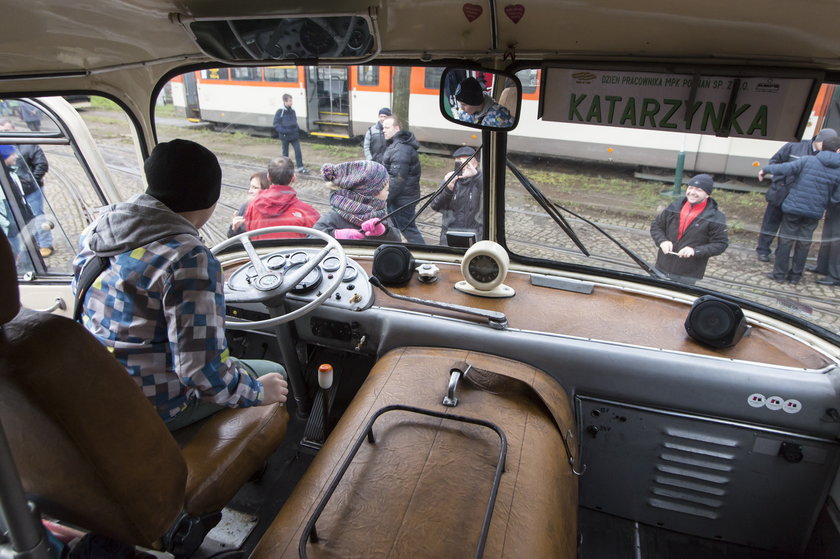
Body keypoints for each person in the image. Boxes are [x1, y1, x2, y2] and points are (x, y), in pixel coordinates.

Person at [71, 139, 289, 430]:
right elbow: (199, 373)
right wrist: (259, 391)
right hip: (152, 404)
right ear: (211, 198)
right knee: (274, 372)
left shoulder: (100, 227)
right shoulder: (188, 259)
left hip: (101, 385)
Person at [760, 136, 840, 285]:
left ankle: (779, 274)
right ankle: (795, 277)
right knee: (804, 242)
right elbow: (836, 197)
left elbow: (784, 168)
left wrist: (766, 169)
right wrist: (824, 202)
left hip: (793, 208)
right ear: (838, 150)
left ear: (823, 147)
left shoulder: (808, 160)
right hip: (814, 211)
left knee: (785, 240)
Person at [650, 173, 729, 285]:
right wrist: (662, 241)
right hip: (661, 267)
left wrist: (695, 251)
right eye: (690, 187)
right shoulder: (675, 207)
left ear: (707, 194)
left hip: (687, 275)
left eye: (698, 190)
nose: (692, 192)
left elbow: (720, 244)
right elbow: (656, 226)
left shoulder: (716, 217)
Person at [313, 160, 401, 242]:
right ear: (370, 193)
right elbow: (311, 241)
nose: (388, 192)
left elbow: (397, 244)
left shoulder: (381, 214)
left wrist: (385, 233)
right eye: (386, 189)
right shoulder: (333, 218)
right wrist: (334, 235)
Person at [1, 119, 52, 256]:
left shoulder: (27, 144)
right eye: (2, 131)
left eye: (6, 131)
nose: (4, 134)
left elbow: (42, 164)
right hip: (15, 192)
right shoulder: (3, 148)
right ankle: (31, 244)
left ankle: (46, 245)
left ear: (14, 129)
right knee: (25, 218)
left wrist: (30, 182)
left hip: (32, 190)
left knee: (38, 216)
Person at [244, 156, 320, 240]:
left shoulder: (252, 206)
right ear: (293, 178)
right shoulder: (307, 212)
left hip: (261, 253)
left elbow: (249, 233)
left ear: (268, 177)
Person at [381, 115, 426, 244]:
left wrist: (386, 200)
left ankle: (425, 254)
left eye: (387, 127)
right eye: (383, 127)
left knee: (409, 230)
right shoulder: (397, 146)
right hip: (403, 198)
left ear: (397, 128)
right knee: (394, 228)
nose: (384, 130)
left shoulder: (400, 149)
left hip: (401, 200)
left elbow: (397, 180)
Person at [431, 146, 483, 245]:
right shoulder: (450, 179)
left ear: (476, 162)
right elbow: (435, 205)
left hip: (475, 236)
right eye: (459, 160)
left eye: (467, 160)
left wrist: (476, 177)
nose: (463, 163)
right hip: (449, 236)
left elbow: (492, 202)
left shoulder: (482, 179)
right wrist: (448, 189)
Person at [228, 171, 269, 237]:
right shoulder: (245, 208)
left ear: (267, 190)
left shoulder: (275, 211)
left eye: (254, 188)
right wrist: (235, 229)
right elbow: (234, 241)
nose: (249, 191)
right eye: (250, 187)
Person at [273, 93, 306, 173]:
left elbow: (295, 121)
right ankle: (285, 169)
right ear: (285, 101)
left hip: (294, 135)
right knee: (285, 154)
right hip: (285, 136)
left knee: (298, 151)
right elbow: (276, 124)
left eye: (291, 100)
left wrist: (298, 130)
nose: (291, 102)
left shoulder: (292, 110)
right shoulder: (280, 112)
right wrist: (284, 131)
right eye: (290, 101)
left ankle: (300, 167)